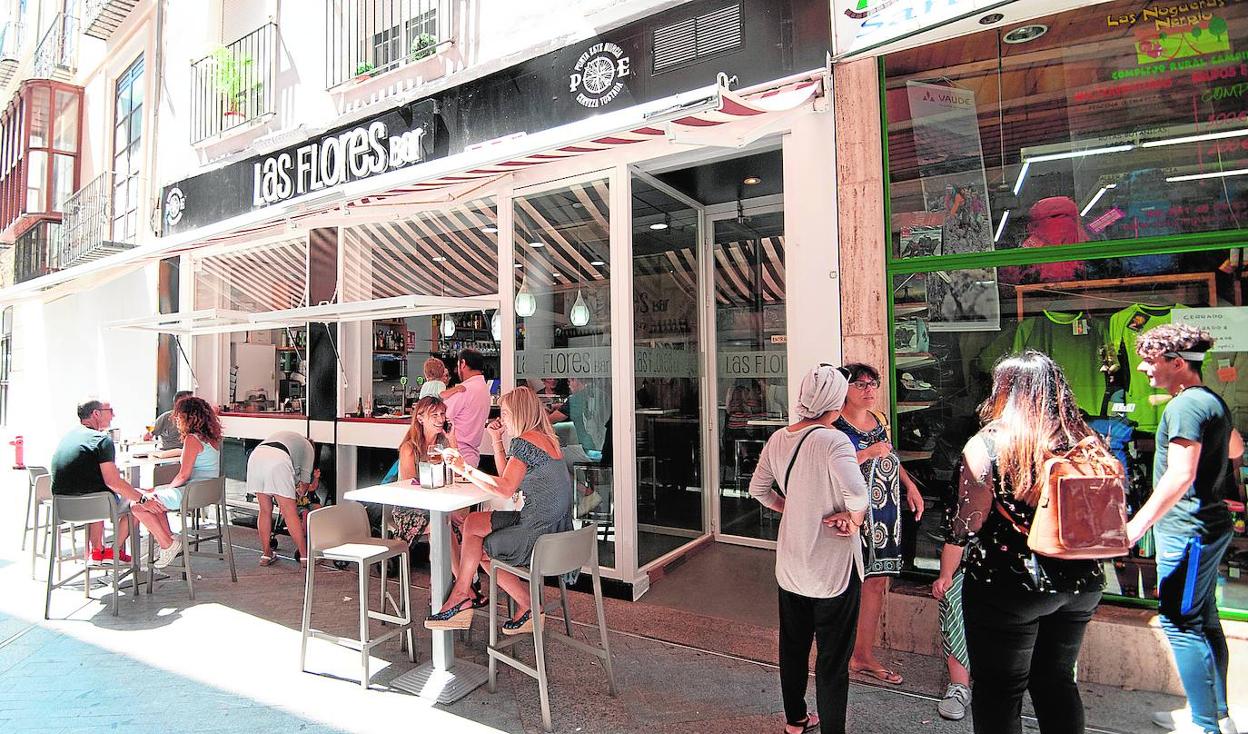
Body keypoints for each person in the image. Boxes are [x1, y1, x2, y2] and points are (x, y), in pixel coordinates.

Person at [949, 351, 1106, 734]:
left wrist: (954, 537)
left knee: (1000, 691)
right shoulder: (1085, 439)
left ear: (1005, 390)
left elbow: (970, 522)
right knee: (1057, 683)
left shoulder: (990, 442)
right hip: (1081, 579)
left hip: (1009, 583)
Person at [1126, 325, 1239, 734]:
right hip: (1207, 526)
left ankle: (1205, 725)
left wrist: (1136, 526)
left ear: (1177, 363)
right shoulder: (1209, 401)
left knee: (1180, 622)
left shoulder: (1185, 406)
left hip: (1188, 532)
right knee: (1204, 620)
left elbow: (1179, 474)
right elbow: (1237, 448)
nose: (1143, 368)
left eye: (1151, 361)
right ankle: (1217, 715)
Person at [749, 364, 869, 734]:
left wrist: (791, 506)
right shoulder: (834, 441)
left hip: (791, 563)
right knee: (832, 659)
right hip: (832, 567)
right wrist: (854, 519)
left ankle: (795, 720)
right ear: (836, 400)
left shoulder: (778, 439)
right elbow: (858, 494)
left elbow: (758, 490)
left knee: (793, 647)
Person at [426, 386, 572, 634]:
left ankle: (524, 604)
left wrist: (464, 468)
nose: (500, 418)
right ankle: (463, 593)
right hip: (554, 529)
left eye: (504, 413)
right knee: (472, 523)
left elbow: (504, 489)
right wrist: (496, 440)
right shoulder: (545, 439)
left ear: (517, 413)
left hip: (539, 532)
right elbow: (509, 481)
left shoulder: (525, 442)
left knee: (482, 549)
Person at [833, 362, 924, 685]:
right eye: (861, 385)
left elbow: (890, 456)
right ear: (844, 388)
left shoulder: (879, 420)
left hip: (885, 508)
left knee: (876, 582)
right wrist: (868, 452)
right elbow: (831, 466)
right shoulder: (833, 425)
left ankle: (863, 655)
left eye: (874, 384)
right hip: (851, 514)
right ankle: (839, 652)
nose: (870, 390)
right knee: (848, 585)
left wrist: (910, 486)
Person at [129, 397, 221, 568]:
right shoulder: (212, 438)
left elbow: (183, 475)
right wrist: (160, 490)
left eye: (178, 417)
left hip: (191, 492)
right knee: (152, 497)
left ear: (189, 417)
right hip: (205, 490)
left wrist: (165, 489)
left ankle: (167, 544)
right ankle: (169, 539)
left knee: (138, 506)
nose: (176, 420)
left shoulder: (192, 439)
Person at [50, 400, 143, 563]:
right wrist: (141, 497)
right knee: (137, 503)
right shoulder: (101, 440)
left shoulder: (67, 437)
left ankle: (97, 550)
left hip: (63, 508)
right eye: (110, 410)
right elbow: (113, 482)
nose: (113, 415)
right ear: (96, 413)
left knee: (95, 490)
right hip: (94, 506)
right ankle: (114, 550)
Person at [390, 396, 458, 542]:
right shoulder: (409, 448)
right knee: (443, 523)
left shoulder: (443, 443)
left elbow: (457, 472)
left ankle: (449, 564)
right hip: (409, 507)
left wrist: (453, 441)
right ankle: (443, 564)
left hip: (438, 504)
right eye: (434, 415)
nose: (440, 420)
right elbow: (411, 487)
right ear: (420, 419)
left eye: (442, 414)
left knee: (462, 523)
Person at [247, 430, 318, 567]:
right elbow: (304, 483)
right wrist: (300, 491)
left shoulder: (291, 439)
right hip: (279, 460)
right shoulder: (309, 448)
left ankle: (266, 554)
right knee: (289, 513)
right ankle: (305, 557)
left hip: (256, 457)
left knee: (265, 510)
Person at [931, 541, 972, 721]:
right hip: (975, 570)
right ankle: (959, 685)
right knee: (953, 595)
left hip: (1027, 577)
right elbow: (957, 537)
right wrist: (945, 575)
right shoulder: (970, 512)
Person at [440, 349, 492, 468]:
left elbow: (441, 414)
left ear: (462, 363)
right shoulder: (484, 388)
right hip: (472, 455)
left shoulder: (464, 389)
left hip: (457, 454)